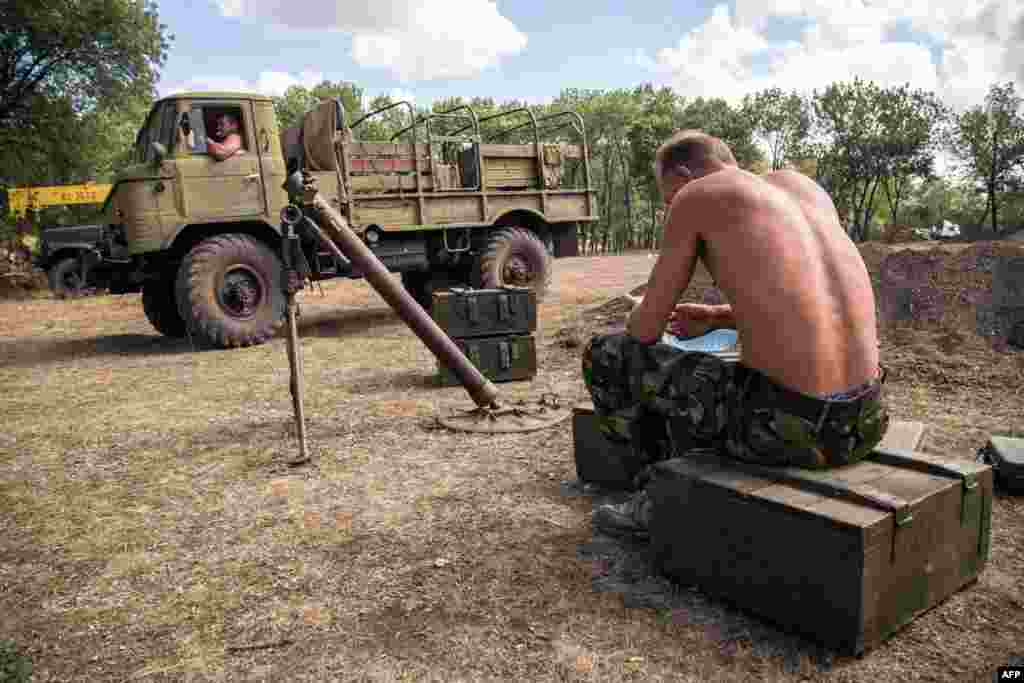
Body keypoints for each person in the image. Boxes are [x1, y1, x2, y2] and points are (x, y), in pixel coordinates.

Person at [584, 130, 890, 538]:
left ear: (683, 173)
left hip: (783, 434)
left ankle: (654, 498)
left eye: (667, 196)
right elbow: (817, 309)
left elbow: (644, 331)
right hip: (864, 424)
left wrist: (642, 310)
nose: (669, 206)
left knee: (606, 352)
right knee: (724, 372)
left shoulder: (696, 196)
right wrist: (715, 317)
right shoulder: (804, 189)